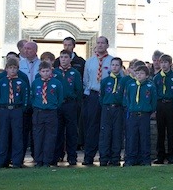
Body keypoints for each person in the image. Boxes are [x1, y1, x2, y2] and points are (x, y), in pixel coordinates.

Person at [82, 36, 114, 166]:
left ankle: (106, 157)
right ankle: (88, 156)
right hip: (94, 96)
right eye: (98, 43)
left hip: (108, 97)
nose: (100, 45)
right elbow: (86, 80)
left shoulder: (113, 61)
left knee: (107, 127)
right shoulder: (89, 61)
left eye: (103, 43)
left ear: (107, 45)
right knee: (92, 127)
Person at [0, 58, 29, 168]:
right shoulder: (1, 82)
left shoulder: (21, 82)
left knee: (17, 136)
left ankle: (17, 161)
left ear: (18, 69)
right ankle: (1, 160)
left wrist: (22, 109)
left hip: (16, 110)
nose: (12, 70)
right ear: (6, 69)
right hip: (4, 110)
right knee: (3, 136)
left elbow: (25, 97)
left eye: (15, 68)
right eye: (10, 68)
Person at [52, 50, 82, 166]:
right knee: (58, 131)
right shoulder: (54, 73)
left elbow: (78, 90)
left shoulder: (75, 73)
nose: (63, 59)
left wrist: (76, 104)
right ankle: (56, 155)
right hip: (58, 104)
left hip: (70, 104)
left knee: (71, 131)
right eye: (61, 57)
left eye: (66, 57)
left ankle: (72, 156)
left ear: (70, 59)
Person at [31, 61, 63, 167]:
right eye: (43, 71)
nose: (45, 73)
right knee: (38, 136)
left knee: (50, 137)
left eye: (47, 71)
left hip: (51, 112)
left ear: (51, 71)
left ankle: (47, 160)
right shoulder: (35, 83)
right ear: (39, 72)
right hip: (39, 112)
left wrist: (52, 107)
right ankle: (38, 160)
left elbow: (60, 98)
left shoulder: (56, 83)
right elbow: (32, 97)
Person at [123, 65, 157, 166]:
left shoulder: (150, 86)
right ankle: (131, 159)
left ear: (147, 75)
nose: (139, 75)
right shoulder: (130, 85)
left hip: (144, 114)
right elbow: (126, 99)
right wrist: (130, 108)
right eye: (137, 73)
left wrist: (150, 110)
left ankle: (145, 159)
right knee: (132, 137)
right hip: (133, 114)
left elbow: (153, 101)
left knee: (144, 137)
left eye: (141, 73)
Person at [153, 54, 173, 164]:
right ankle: (160, 155)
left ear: (170, 63)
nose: (163, 65)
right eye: (161, 62)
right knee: (160, 131)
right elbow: (154, 93)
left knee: (171, 131)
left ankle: (171, 154)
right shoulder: (157, 77)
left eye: (165, 62)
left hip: (170, 105)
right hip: (160, 104)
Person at [98, 57, 124, 167]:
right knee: (105, 133)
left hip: (118, 109)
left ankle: (115, 158)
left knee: (117, 133)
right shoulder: (105, 81)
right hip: (107, 108)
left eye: (117, 65)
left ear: (121, 67)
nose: (114, 67)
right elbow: (101, 96)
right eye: (113, 65)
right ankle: (104, 158)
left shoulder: (123, 81)